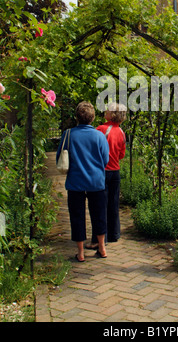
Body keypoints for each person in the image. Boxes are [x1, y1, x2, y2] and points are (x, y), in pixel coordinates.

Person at [56, 101, 109, 262]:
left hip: (75, 182)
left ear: (77, 117)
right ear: (92, 118)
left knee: (77, 216)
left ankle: (80, 253)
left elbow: (60, 157)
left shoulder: (68, 134)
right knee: (99, 215)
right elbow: (105, 159)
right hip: (96, 182)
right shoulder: (99, 136)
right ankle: (102, 248)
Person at [86, 102, 126, 249]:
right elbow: (122, 154)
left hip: (102, 171)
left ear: (113, 114)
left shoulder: (101, 129)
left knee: (99, 205)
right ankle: (114, 234)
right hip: (115, 171)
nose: (105, 111)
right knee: (113, 204)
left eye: (108, 110)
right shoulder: (121, 132)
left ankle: (99, 238)